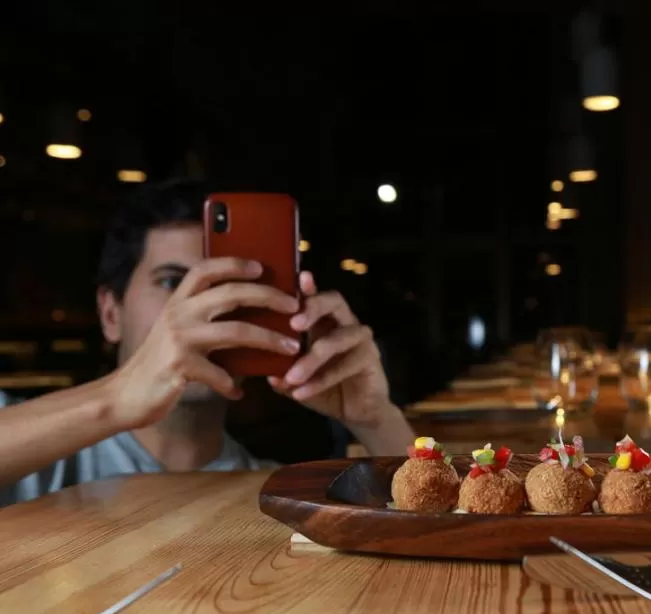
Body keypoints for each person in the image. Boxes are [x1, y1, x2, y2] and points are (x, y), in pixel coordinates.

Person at [0, 179, 415, 506]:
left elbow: (441, 526)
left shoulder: (274, 490)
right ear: (110, 314)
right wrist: (117, 396)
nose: (203, 305)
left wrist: (376, 419)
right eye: (173, 282)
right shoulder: (32, 459)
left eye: (228, 284)